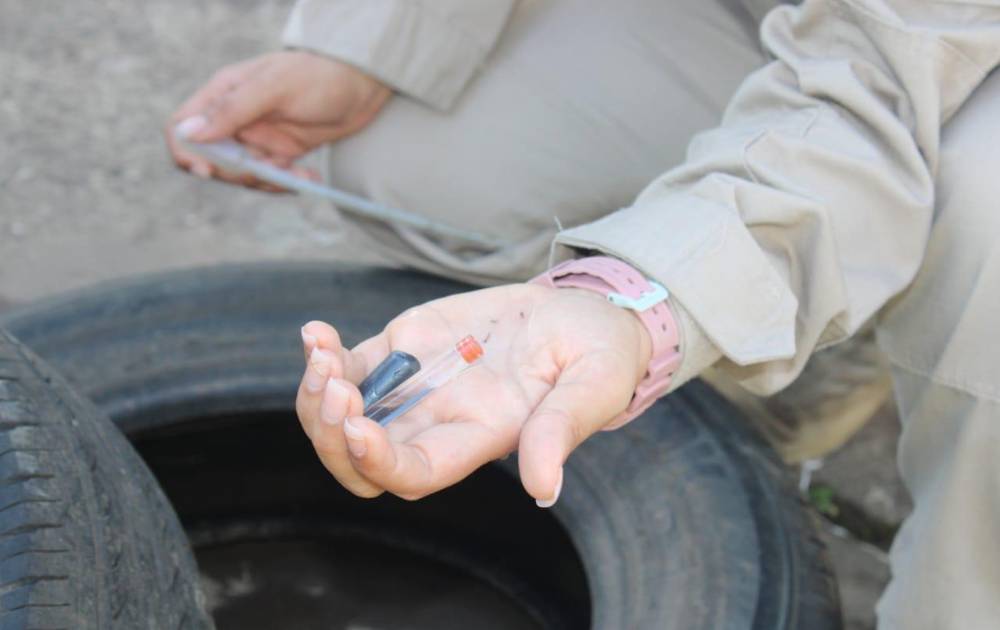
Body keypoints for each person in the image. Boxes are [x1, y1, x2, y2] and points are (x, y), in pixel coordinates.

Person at [166, 1, 1000, 627]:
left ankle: (858, 305)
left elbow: (878, 78)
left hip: (932, 47)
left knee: (983, 255)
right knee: (414, 158)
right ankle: (799, 303)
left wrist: (639, 297)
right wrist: (371, 46)